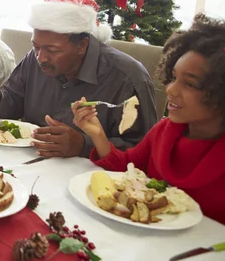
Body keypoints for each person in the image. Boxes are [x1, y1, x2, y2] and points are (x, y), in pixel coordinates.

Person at [72, 14, 225, 225]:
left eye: (189, 84)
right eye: (172, 78)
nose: (170, 89)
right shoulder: (164, 131)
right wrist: (97, 134)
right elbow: (125, 170)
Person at [0, 0, 158, 158]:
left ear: (82, 45)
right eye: (35, 47)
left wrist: (83, 145)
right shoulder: (34, 59)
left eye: (52, 50)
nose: (41, 58)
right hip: (26, 162)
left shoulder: (126, 78)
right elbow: (12, 106)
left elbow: (142, 151)